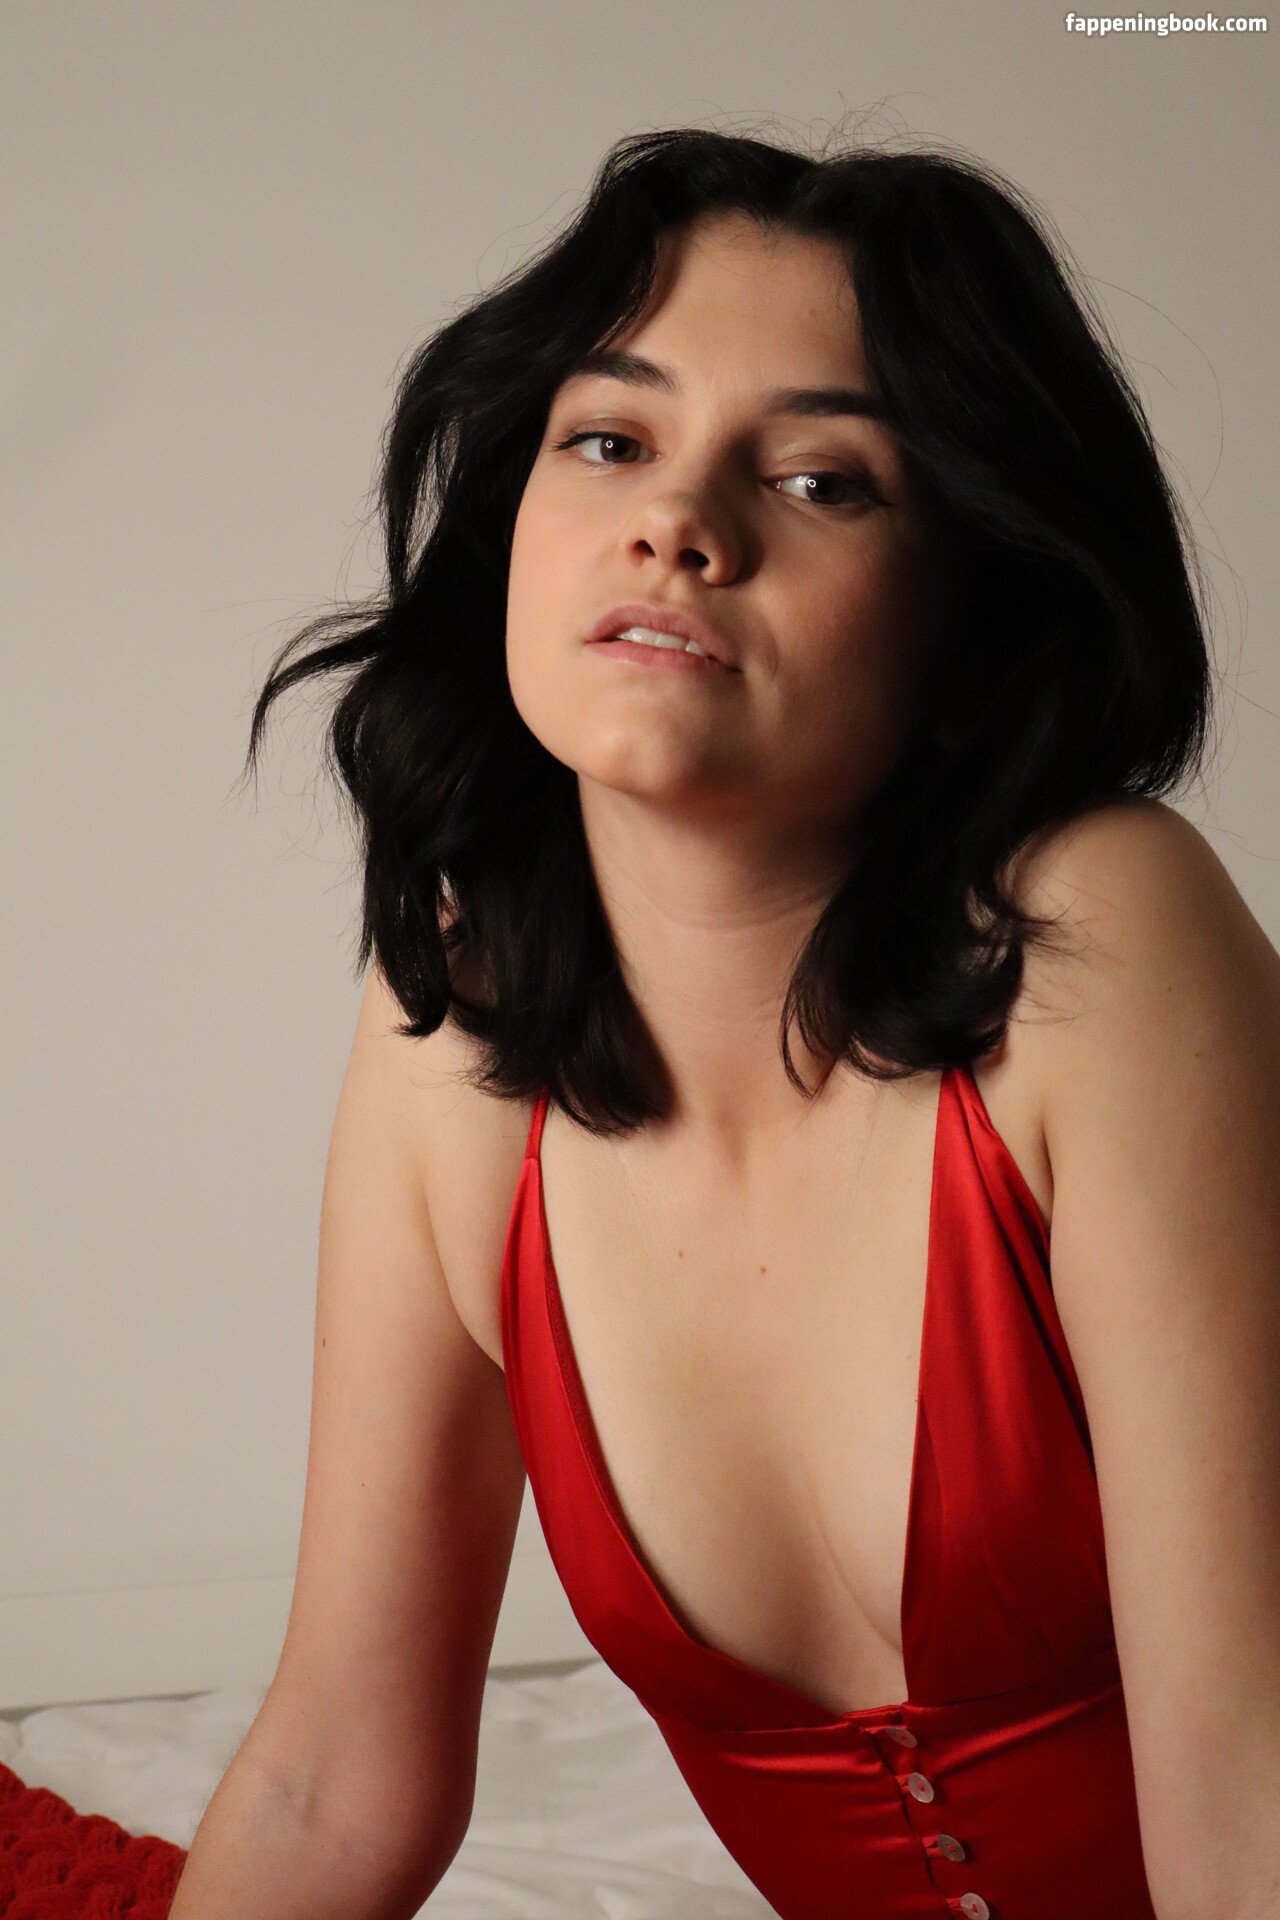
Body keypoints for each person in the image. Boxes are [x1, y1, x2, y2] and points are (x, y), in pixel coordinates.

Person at [170, 128, 1280, 1920]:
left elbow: (1255, 1804)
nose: (679, 522)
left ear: (972, 612)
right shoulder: (457, 1024)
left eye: (825, 478)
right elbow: (334, 1778)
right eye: (611, 439)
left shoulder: (1100, 937)